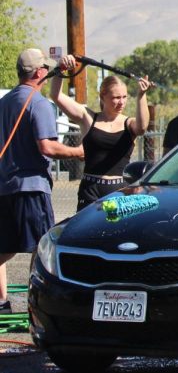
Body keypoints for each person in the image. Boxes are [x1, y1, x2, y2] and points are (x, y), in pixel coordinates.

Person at [0, 49, 84, 313]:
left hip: (4, 187)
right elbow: (47, 146)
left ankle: (1, 302)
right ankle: (37, 307)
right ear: (38, 72)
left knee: (3, 247)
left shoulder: (4, 102)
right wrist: (80, 152)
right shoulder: (38, 103)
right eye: (46, 70)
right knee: (42, 249)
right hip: (32, 189)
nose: (47, 74)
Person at [50, 55, 152, 209]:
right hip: (89, 189)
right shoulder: (88, 117)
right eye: (116, 97)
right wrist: (60, 69)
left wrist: (141, 96)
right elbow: (56, 96)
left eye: (124, 97)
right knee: (85, 232)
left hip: (118, 191)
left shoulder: (129, 123)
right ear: (103, 96)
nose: (121, 102)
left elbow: (142, 128)